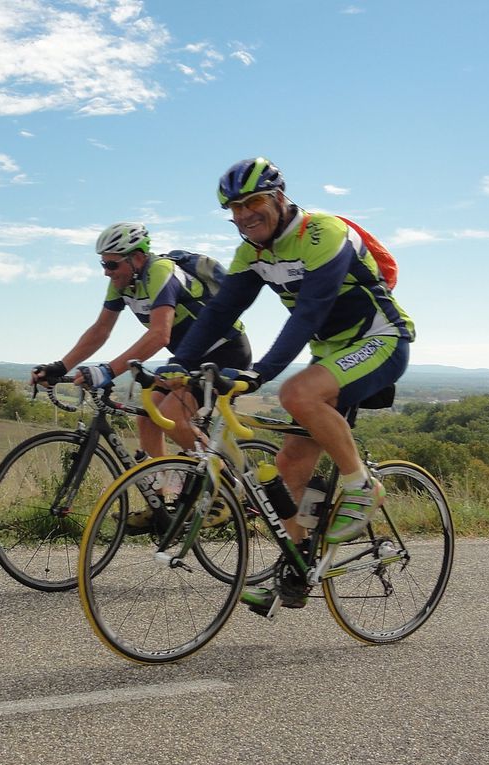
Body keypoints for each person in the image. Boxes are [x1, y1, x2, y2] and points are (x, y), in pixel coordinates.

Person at [172, 157, 415, 612]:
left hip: (380, 339)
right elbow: (220, 312)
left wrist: (261, 371)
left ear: (279, 198)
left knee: (296, 392)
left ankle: (363, 487)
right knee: (291, 463)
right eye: (235, 208)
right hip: (332, 353)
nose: (244, 215)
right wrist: (176, 362)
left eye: (254, 202)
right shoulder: (254, 252)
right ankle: (298, 570)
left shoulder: (322, 232)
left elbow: (312, 312)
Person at [32, 222, 252, 526]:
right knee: (147, 417)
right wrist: (61, 366)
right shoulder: (123, 282)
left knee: (173, 417)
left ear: (136, 257)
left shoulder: (160, 271)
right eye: (103, 263)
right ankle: (161, 500)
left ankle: (226, 489)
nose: (107, 272)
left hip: (224, 352)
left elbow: (159, 335)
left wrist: (108, 370)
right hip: (189, 358)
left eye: (112, 264)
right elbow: (100, 330)